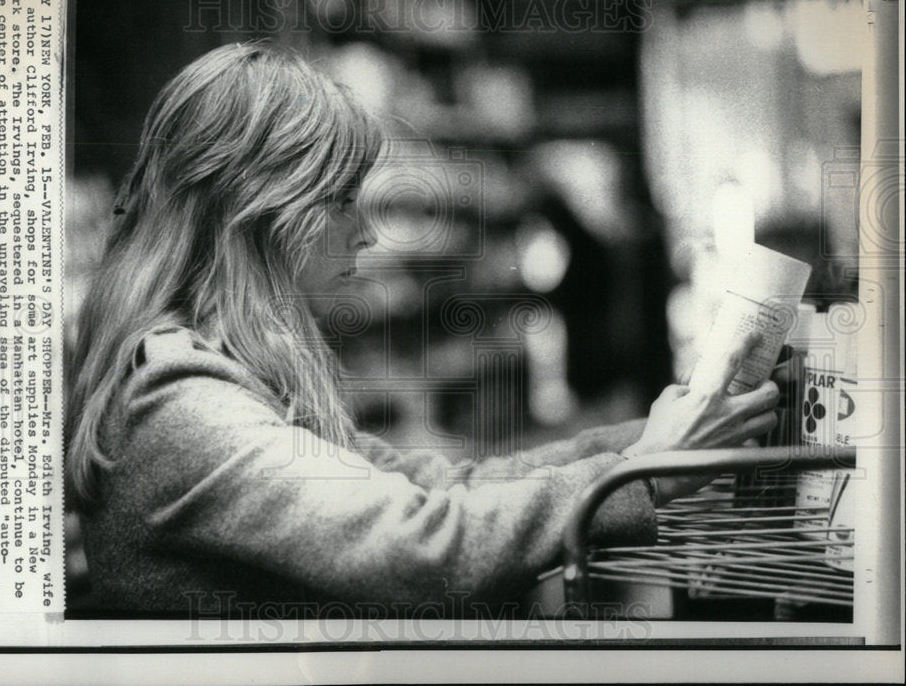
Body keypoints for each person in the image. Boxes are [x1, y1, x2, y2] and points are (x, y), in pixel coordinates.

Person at [66, 41, 783, 618]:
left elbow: (438, 485)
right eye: (342, 201)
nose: (367, 233)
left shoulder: (225, 373)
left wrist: (651, 441)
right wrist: (643, 476)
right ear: (263, 211)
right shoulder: (181, 405)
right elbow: (421, 552)